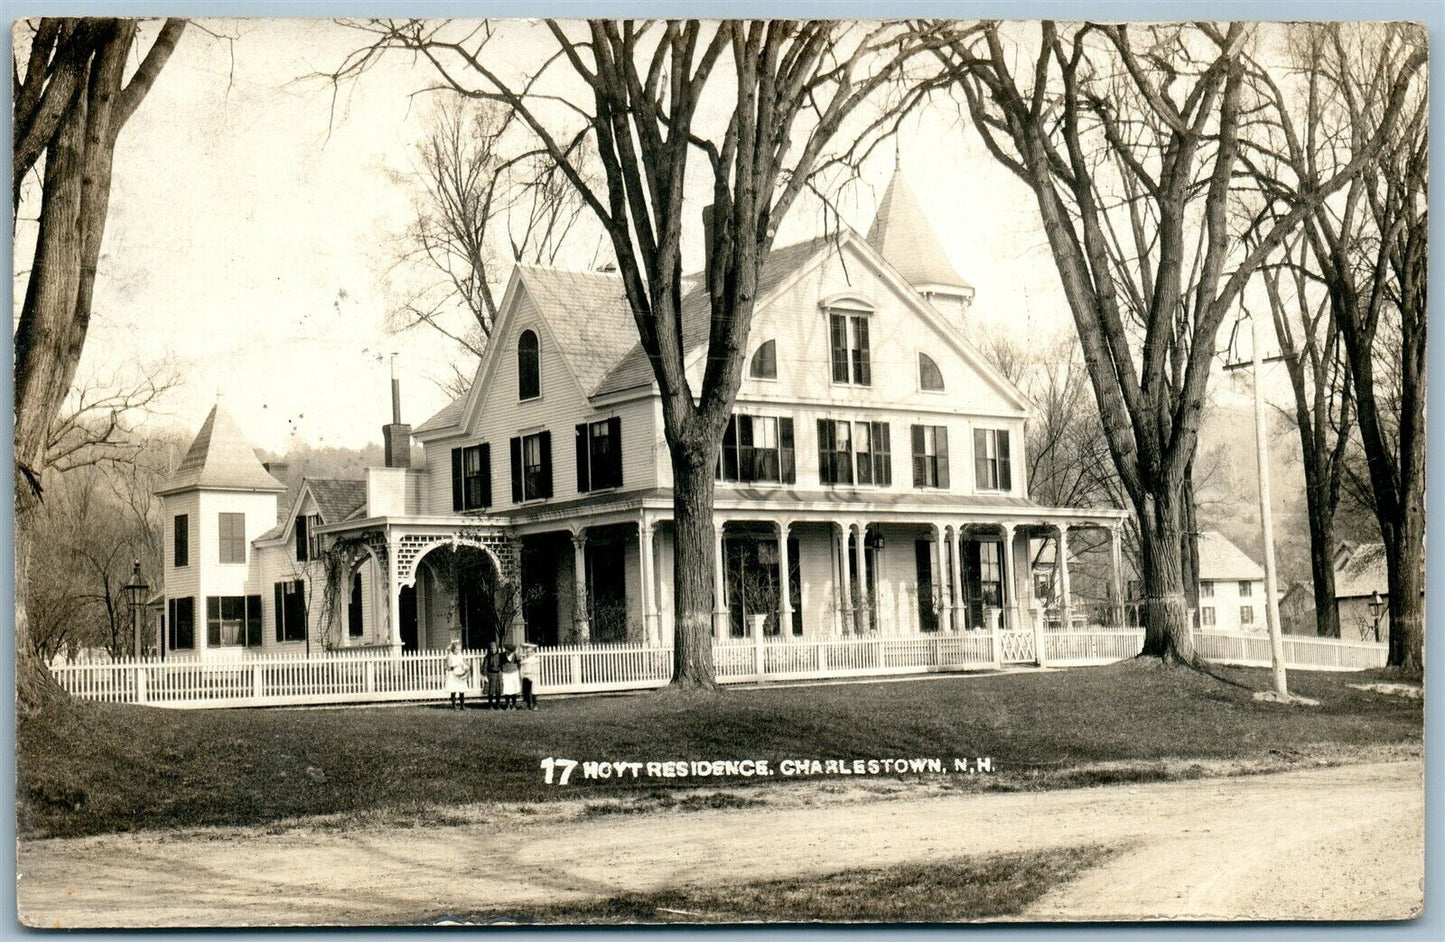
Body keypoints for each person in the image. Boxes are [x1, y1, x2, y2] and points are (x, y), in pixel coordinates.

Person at [444, 639, 468, 711]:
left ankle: (462, 705)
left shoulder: (461, 655)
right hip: (453, 674)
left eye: (459, 649)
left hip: (460, 673)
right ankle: (454, 705)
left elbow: (464, 663)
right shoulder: (450, 656)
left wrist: (464, 667)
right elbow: (446, 667)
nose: (458, 651)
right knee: (453, 689)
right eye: (457, 649)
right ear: (453, 649)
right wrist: (452, 667)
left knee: (461, 690)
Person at [500, 644, 522, 710]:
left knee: (513, 690)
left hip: (514, 674)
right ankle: (507, 705)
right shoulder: (502, 655)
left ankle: (514, 705)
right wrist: (502, 670)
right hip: (505, 674)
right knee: (507, 690)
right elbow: (500, 664)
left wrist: (517, 671)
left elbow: (519, 664)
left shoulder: (515, 655)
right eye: (506, 650)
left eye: (509, 651)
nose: (507, 652)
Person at [518, 643, 540, 710]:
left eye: (530, 652)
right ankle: (529, 704)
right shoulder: (524, 660)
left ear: (533, 652)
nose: (528, 653)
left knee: (534, 690)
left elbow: (536, 669)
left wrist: (532, 676)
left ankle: (535, 704)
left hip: (533, 676)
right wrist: (522, 675)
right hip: (526, 676)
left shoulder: (534, 660)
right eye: (527, 652)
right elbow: (522, 669)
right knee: (527, 691)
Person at [483, 641, 504, 709]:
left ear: (497, 648)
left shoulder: (500, 656)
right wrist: (485, 676)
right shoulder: (487, 657)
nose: (493, 650)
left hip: (498, 674)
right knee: (491, 691)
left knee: (498, 690)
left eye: (494, 648)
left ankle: (497, 705)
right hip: (490, 675)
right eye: (491, 648)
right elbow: (484, 667)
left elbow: (502, 665)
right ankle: (490, 705)